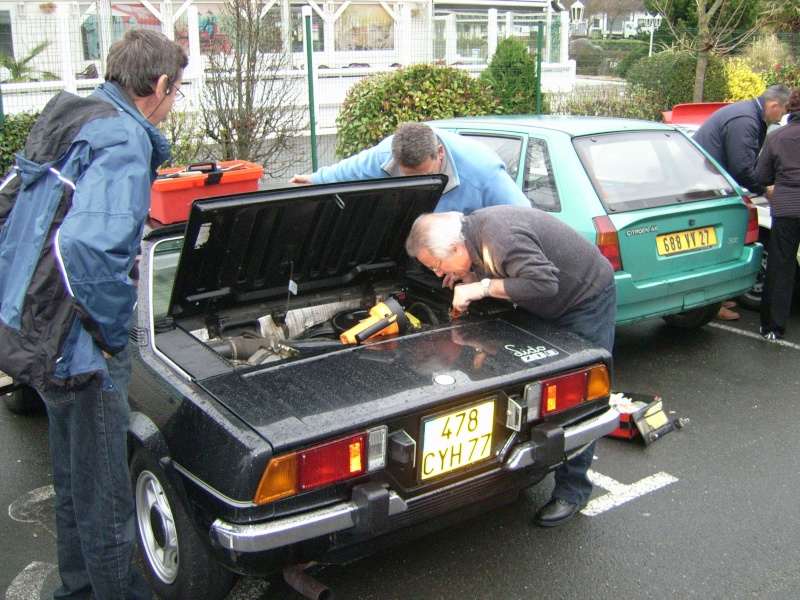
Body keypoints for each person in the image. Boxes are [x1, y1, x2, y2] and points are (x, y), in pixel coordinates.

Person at [0, 29, 188, 599]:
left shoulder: (73, 114)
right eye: (177, 89)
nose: (176, 99)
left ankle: (78, 589)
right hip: (75, 341)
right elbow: (87, 249)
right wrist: (109, 333)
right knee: (105, 490)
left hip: (32, 323)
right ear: (158, 86)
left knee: (73, 478)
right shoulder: (123, 143)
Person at [405, 207, 616, 527]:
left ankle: (572, 490)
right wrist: (471, 275)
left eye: (436, 266)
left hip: (584, 298)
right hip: (550, 301)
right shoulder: (473, 237)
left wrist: (481, 287)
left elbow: (545, 284)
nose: (438, 274)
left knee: (577, 396)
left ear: (455, 248)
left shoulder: (498, 237)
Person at [692, 84, 792, 321]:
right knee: (712, 248)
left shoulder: (748, 114)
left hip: (708, 186)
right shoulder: (746, 120)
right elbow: (742, 167)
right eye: (784, 110)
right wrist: (764, 189)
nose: (783, 116)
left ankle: (718, 296)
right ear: (774, 105)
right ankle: (710, 305)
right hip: (705, 190)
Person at [291, 121, 530, 214]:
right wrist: (315, 180)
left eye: (426, 176)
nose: (419, 186)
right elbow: (349, 172)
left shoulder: (482, 171)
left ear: (439, 153)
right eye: (408, 177)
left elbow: (523, 217)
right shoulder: (386, 154)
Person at [754, 87, 800, 341]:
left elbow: (761, 177)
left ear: (791, 108)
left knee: (781, 265)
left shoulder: (777, 137)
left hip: (787, 208)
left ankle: (772, 326)